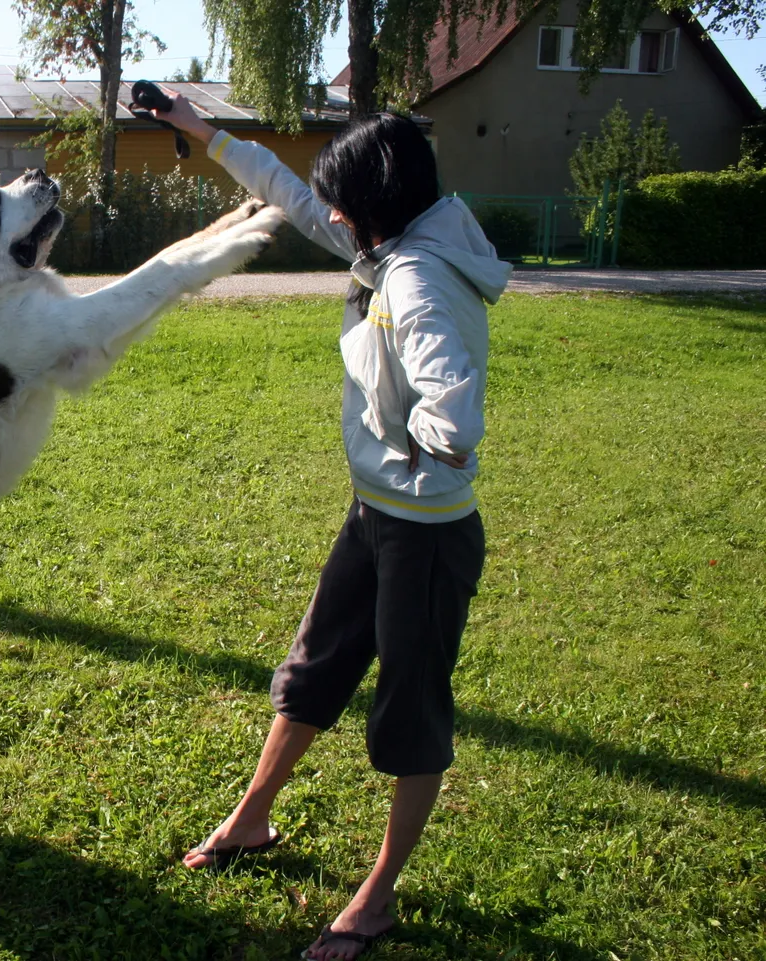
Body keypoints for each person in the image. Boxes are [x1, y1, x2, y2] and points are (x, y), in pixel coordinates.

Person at [151, 95, 510, 961]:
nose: (332, 215)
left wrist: (414, 447)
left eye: (342, 201)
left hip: (423, 533)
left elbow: (454, 416)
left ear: (376, 207)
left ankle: (378, 895)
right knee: (315, 667)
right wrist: (205, 133)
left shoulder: (417, 279)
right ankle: (251, 819)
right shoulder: (391, 242)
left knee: (409, 712)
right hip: (378, 515)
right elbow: (291, 194)